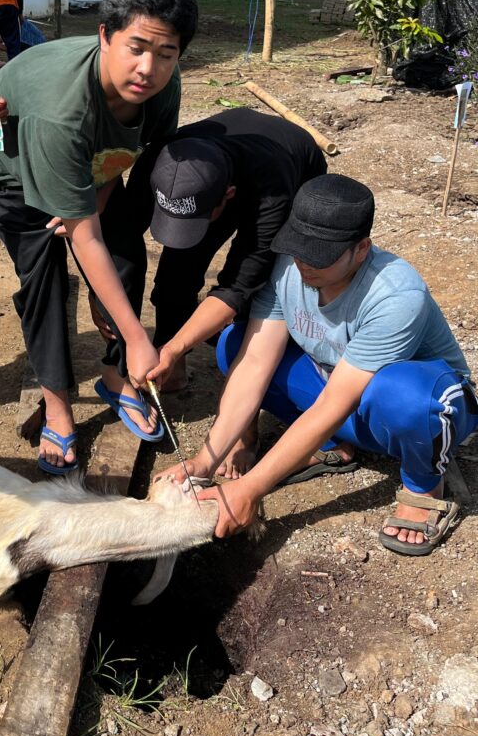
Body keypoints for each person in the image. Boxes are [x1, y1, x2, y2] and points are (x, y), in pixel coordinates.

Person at [166, 175, 478, 557]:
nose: (305, 264)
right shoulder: (287, 268)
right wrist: (204, 460)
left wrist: (249, 490)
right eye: (299, 249)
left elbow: (335, 402)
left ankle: (423, 486)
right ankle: (336, 446)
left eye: (321, 255)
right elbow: (255, 365)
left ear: (361, 249)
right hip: (342, 398)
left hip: (419, 414)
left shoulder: (395, 294)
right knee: (236, 346)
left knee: (405, 393)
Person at [0, 0, 198, 474]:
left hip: (85, 165)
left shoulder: (164, 85)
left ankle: (115, 377)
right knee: (43, 273)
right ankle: (57, 405)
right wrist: (140, 338)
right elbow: (81, 233)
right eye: (135, 47)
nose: (148, 68)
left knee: (124, 255)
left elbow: (119, 156)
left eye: (165, 53)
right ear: (105, 37)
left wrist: (91, 215)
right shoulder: (59, 110)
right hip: (6, 162)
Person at [137, 108, 326, 417]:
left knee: (264, 285)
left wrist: (177, 345)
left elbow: (237, 286)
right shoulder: (163, 159)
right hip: (217, 162)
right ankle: (172, 373)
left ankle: (249, 377)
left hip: (291, 168)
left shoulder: (273, 192)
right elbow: (124, 232)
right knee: (176, 269)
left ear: (228, 196)